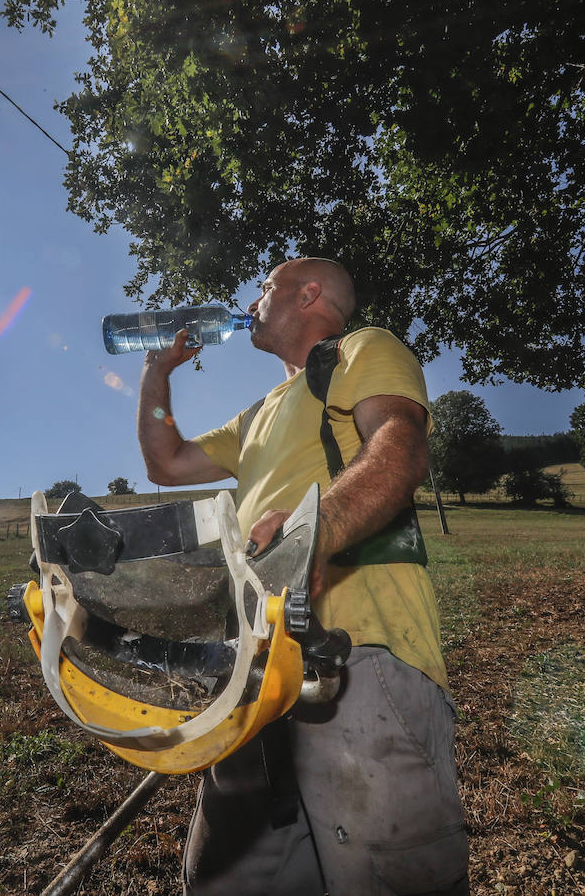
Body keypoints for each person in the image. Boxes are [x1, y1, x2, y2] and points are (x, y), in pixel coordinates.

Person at [137, 257, 469, 895]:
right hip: (254, 669)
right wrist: (157, 372)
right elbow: (166, 462)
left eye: (265, 287)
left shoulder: (361, 351)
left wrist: (320, 529)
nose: (253, 299)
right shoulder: (258, 412)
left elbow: (400, 443)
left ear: (308, 293)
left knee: (386, 873)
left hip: (357, 646)